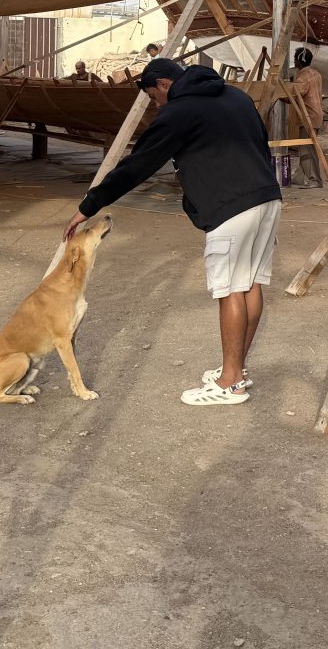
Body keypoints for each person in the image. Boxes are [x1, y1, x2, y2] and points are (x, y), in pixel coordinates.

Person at [63, 58, 281, 407]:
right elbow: (261, 143)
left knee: (229, 291)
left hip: (231, 207)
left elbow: (138, 164)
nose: (156, 104)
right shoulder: (236, 96)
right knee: (250, 283)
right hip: (267, 198)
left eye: (153, 96)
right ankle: (236, 370)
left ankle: (228, 383)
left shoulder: (178, 112)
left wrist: (88, 206)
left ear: (164, 84)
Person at [290, 48, 326, 188]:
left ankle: (314, 180)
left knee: (306, 149)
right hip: (316, 114)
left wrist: (282, 95)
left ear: (299, 60)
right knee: (308, 148)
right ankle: (299, 177)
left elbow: (295, 95)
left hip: (308, 116)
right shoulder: (316, 73)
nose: (294, 61)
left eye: (294, 58)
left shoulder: (302, 77)